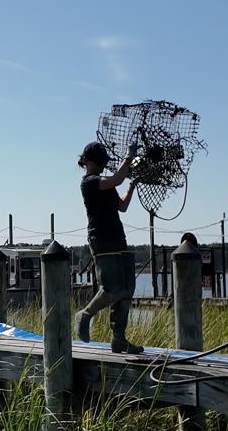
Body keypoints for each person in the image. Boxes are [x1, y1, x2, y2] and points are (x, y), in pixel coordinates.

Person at [74, 141, 144, 354]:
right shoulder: (89, 182)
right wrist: (129, 157)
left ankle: (119, 339)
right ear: (88, 162)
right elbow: (116, 179)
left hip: (118, 237)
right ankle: (84, 314)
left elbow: (122, 206)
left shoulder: (106, 184)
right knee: (111, 288)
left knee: (127, 289)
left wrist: (132, 185)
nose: (103, 165)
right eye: (100, 162)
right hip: (101, 238)